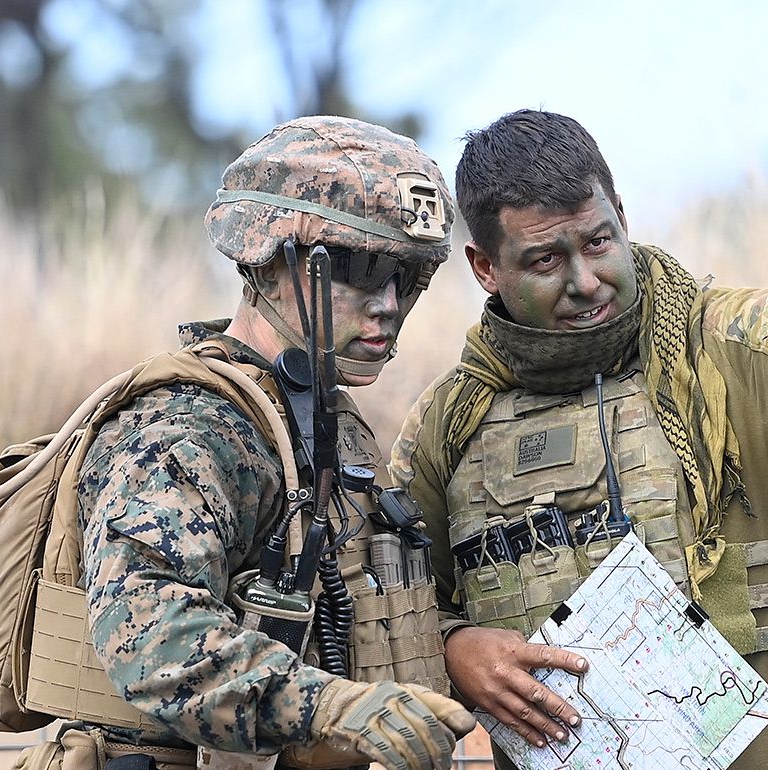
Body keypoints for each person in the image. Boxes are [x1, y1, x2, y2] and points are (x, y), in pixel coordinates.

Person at [390, 109, 768, 769]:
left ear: (620, 212)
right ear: (485, 267)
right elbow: (393, 612)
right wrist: (454, 648)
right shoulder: (449, 426)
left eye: (598, 241)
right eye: (546, 259)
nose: (585, 281)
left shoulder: (728, 347)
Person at [72, 117, 474, 770]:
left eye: (409, 275)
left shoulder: (327, 419)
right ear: (270, 256)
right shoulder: (191, 426)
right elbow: (152, 639)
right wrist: (331, 710)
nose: (389, 304)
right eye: (363, 268)